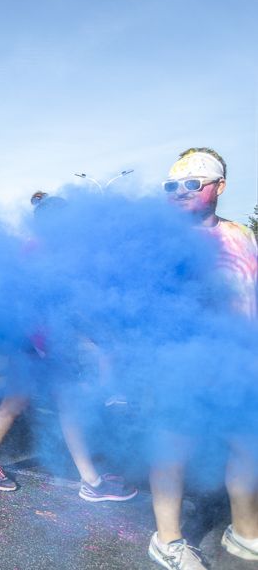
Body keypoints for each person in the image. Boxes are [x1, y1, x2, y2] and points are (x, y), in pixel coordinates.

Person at [0, 195, 137, 504]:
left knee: (66, 405)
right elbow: (27, 306)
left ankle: (91, 480)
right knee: (16, 403)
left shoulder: (57, 250)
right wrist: (43, 346)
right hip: (30, 346)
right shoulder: (35, 251)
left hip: (48, 347)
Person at [147, 148, 258, 569]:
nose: (180, 192)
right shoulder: (162, 242)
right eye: (171, 185)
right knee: (172, 448)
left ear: (219, 187)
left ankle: (246, 532)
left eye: (193, 183)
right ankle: (168, 540)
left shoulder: (240, 234)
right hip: (182, 368)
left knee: (249, 447)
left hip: (240, 365)